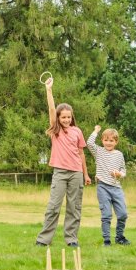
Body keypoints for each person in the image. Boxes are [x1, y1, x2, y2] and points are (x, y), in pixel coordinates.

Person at [35, 76, 91, 248]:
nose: (66, 120)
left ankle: (71, 239)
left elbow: (81, 153)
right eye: (63, 117)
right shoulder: (56, 131)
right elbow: (52, 110)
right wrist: (49, 90)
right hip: (60, 173)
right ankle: (44, 240)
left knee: (74, 208)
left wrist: (86, 175)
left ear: (71, 117)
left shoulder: (77, 131)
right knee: (53, 206)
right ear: (58, 118)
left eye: (68, 117)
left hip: (76, 173)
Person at [87, 125, 130, 245]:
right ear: (102, 140)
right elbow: (89, 143)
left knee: (123, 214)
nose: (108, 143)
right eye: (106, 140)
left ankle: (120, 237)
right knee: (106, 215)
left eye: (111, 140)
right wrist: (95, 131)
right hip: (103, 187)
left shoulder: (119, 155)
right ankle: (106, 240)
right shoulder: (99, 152)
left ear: (116, 142)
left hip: (116, 188)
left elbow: (124, 171)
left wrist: (118, 174)